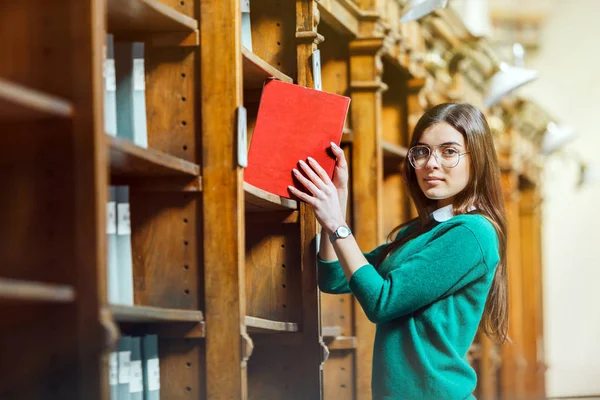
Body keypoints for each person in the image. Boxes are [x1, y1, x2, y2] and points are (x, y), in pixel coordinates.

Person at [287, 103, 508, 399]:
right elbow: (334, 276)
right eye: (422, 151)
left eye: (449, 151)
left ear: (477, 159)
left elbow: (382, 302)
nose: (431, 163)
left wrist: (337, 224)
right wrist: (336, 207)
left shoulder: (472, 233)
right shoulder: (419, 231)